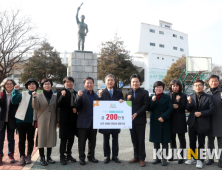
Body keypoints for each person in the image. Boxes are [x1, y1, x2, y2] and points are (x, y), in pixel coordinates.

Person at [185, 80, 215, 169]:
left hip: (203, 123)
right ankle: (193, 158)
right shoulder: (191, 96)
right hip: (192, 123)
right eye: (196, 85)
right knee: (192, 142)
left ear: (203, 86)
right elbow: (188, 109)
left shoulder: (209, 97)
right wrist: (189, 103)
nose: (197, 87)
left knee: (201, 143)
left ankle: (200, 160)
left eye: (199, 85)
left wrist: (201, 113)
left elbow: (212, 110)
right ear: (193, 87)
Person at [11, 78, 38, 166]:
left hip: (32, 121)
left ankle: (29, 155)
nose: (31, 85)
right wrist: (15, 90)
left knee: (30, 139)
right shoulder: (23, 93)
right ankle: (22, 156)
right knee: (22, 139)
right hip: (20, 120)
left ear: (36, 86)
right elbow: (14, 101)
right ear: (27, 86)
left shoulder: (38, 95)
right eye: (29, 84)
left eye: (33, 84)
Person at [98, 74, 124, 164]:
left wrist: (122, 101)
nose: (110, 82)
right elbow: (98, 106)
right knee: (106, 139)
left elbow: (123, 105)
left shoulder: (119, 92)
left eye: (112, 80)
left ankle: (115, 156)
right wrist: (100, 96)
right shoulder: (101, 92)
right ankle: (107, 156)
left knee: (115, 139)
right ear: (105, 82)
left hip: (115, 120)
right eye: (108, 80)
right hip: (105, 121)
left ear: (114, 81)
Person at [125, 74, 149, 167]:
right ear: (131, 83)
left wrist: (136, 113)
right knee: (134, 139)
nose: (135, 83)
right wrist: (125, 101)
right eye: (133, 81)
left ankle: (142, 158)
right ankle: (136, 156)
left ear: (140, 82)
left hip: (140, 120)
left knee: (141, 140)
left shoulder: (144, 92)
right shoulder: (128, 93)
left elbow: (145, 105)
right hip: (130, 120)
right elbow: (125, 106)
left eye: (137, 81)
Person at [32, 79, 57, 166]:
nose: (47, 85)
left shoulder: (55, 96)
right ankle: (42, 157)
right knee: (41, 139)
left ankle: (49, 157)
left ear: (51, 85)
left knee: (50, 137)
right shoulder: (38, 96)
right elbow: (35, 107)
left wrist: (58, 121)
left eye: (49, 84)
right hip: (42, 119)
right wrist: (34, 98)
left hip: (52, 119)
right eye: (45, 84)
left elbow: (57, 108)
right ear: (42, 86)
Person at [75, 77, 99, 165]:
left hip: (94, 122)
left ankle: (91, 156)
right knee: (82, 142)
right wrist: (78, 97)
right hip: (83, 123)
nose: (89, 84)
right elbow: (76, 106)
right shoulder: (81, 94)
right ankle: (82, 158)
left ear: (93, 84)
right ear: (84, 85)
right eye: (87, 83)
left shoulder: (96, 95)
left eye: (91, 83)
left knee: (92, 142)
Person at [149, 81, 173, 166]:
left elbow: (170, 108)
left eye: (160, 87)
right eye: (157, 87)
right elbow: (149, 108)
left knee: (165, 141)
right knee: (156, 141)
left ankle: (164, 159)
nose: (158, 89)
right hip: (155, 121)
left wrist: (163, 117)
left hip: (164, 121)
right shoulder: (151, 97)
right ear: (154, 88)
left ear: (163, 88)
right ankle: (157, 158)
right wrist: (152, 101)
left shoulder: (167, 97)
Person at [57, 77, 78, 165]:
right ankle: (62, 157)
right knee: (63, 139)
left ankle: (69, 155)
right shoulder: (60, 92)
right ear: (64, 83)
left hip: (73, 119)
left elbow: (79, 104)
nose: (69, 83)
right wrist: (62, 96)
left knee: (71, 139)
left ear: (73, 83)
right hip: (64, 119)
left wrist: (76, 109)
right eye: (67, 82)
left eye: (71, 82)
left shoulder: (76, 93)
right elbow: (58, 105)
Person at [168, 80, 187, 164]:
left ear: (179, 87)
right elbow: (165, 106)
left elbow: (185, 107)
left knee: (181, 138)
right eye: (173, 86)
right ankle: (173, 155)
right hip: (170, 119)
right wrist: (172, 106)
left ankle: (181, 156)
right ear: (171, 87)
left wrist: (178, 102)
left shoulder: (183, 95)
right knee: (172, 139)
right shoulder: (167, 95)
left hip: (180, 120)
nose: (175, 87)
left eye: (177, 86)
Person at [205, 75, 222, 167]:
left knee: (221, 143)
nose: (214, 82)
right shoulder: (205, 92)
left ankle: (221, 160)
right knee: (210, 142)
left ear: (218, 82)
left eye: (215, 81)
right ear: (209, 82)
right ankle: (210, 159)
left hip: (220, 121)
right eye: (212, 81)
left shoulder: (221, 92)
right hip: (209, 121)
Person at [0, 78, 18, 164]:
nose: (9, 85)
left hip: (11, 120)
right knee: (0, 139)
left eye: (11, 83)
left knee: (11, 139)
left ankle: (11, 155)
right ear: (4, 85)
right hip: (1, 120)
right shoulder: (0, 94)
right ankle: (0, 155)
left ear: (13, 85)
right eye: (7, 84)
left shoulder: (16, 94)